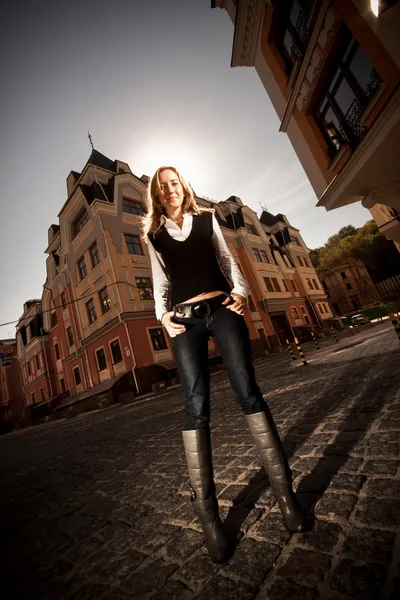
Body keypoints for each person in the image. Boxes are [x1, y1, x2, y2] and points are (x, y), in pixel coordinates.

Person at [142, 166, 305, 563]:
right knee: (195, 402)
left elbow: (227, 259)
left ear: (183, 187)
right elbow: (159, 280)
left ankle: (286, 499)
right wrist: (162, 316)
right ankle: (209, 520)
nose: (170, 190)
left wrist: (241, 293)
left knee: (246, 388)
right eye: (162, 187)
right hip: (184, 320)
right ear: (156, 194)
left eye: (174, 183)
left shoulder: (206, 219)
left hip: (222, 309)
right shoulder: (154, 235)